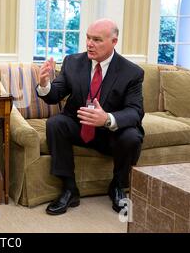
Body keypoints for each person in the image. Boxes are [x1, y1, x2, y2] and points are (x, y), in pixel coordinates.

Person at [37, 18, 144, 215]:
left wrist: (107, 118)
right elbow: (55, 95)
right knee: (56, 123)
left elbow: (135, 111)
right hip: (80, 127)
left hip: (110, 133)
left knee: (132, 136)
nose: (89, 44)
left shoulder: (132, 72)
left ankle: (118, 186)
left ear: (114, 41)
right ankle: (70, 189)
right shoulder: (73, 62)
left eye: (96, 39)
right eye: (87, 38)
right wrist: (45, 84)